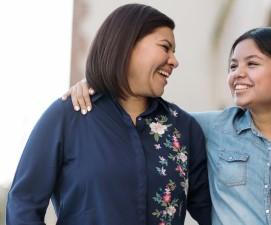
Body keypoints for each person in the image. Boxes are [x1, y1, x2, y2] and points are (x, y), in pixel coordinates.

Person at [65, 27, 271, 224]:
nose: (237, 74)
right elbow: (143, 111)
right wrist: (100, 85)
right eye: (233, 66)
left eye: (252, 64)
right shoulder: (206, 128)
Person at [6, 4, 211, 225]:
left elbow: (215, 212)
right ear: (128, 44)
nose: (174, 61)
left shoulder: (184, 128)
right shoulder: (68, 116)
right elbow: (23, 205)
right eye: (165, 47)